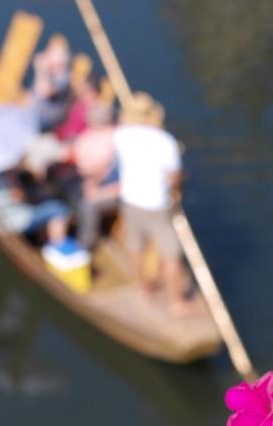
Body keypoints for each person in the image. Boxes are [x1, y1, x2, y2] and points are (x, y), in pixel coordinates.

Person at [114, 92, 196, 315]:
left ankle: (143, 288)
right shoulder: (165, 142)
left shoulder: (121, 135)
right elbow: (173, 177)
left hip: (130, 200)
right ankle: (176, 302)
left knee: (136, 247)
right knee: (171, 255)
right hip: (156, 204)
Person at [71, 103, 119, 250]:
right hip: (89, 177)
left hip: (110, 188)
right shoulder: (92, 134)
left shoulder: (115, 139)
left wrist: (97, 188)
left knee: (88, 204)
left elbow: (106, 168)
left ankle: (84, 246)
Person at [32, 34, 72, 132]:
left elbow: (44, 91)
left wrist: (41, 69)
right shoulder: (50, 73)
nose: (46, 55)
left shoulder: (63, 76)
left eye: (50, 53)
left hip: (44, 121)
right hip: (34, 114)